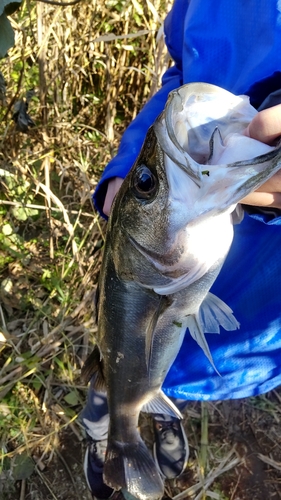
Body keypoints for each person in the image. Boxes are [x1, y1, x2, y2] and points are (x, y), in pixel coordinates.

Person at [81, 1, 281, 499]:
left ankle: (159, 407)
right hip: (176, 263)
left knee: (179, 363)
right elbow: (183, 74)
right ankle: (110, 416)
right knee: (118, 356)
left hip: (259, 292)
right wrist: (131, 165)